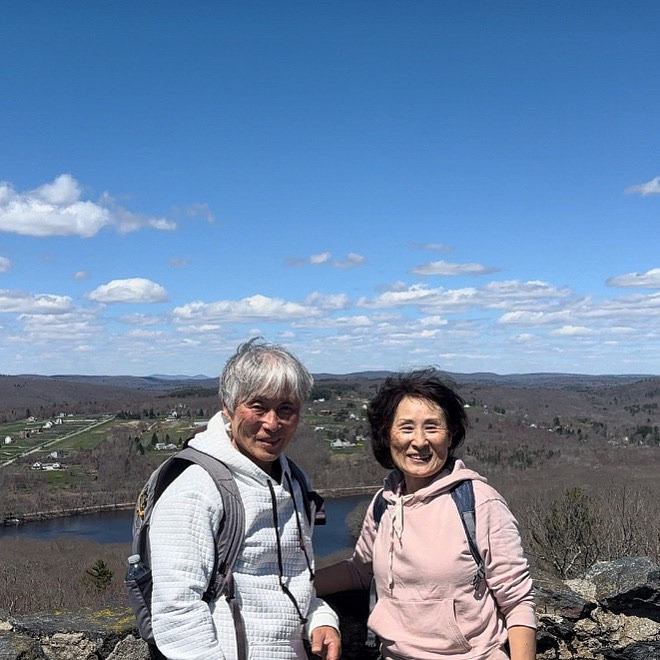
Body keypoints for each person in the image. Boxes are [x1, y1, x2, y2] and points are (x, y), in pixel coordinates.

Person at [316, 369, 536, 659]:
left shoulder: (478, 503)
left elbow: (517, 601)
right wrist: (293, 585)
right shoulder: (385, 502)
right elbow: (360, 570)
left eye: (432, 427)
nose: (419, 441)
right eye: (406, 428)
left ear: (450, 435)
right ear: (387, 435)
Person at [149, 338, 341, 659]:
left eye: (286, 409)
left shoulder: (294, 480)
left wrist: (320, 619)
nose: (272, 423)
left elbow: (289, 580)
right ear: (228, 406)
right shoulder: (197, 486)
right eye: (258, 406)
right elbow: (176, 610)